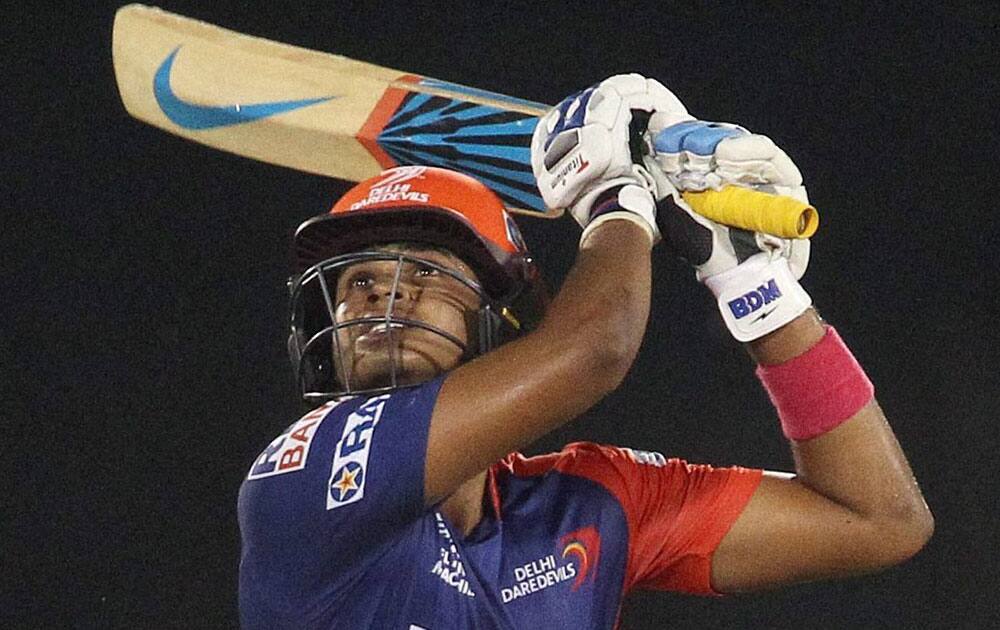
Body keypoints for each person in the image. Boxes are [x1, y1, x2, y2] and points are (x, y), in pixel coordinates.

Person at [237, 75, 932, 629]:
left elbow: (878, 520)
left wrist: (755, 288)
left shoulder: (589, 504)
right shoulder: (307, 476)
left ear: (504, 318)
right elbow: (593, 350)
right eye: (359, 281)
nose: (384, 299)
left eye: (424, 272)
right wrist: (615, 201)